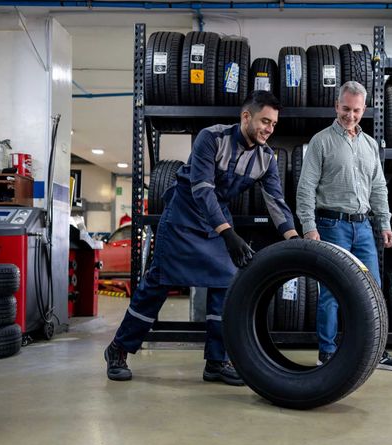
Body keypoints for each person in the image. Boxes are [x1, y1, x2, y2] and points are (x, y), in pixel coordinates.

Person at [104, 91, 299, 385]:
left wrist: (294, 239)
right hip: (184, 214)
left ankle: (216, 362)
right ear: (246, 116)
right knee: (158, 283)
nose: (269, 129)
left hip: (216, 219)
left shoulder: (265, 158)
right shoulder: (212, 138)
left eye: (273, 124)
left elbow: (276, 203)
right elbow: (202, 188)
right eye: (264, 121)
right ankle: (118, 349)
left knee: (226, 284)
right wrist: (229, 235)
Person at [296, 81, 392, 371]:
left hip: (363, 228)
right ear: (337, 106)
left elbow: (379, 187)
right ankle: (327, 352)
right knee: (331, 291)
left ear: (364, 110)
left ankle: (374, 351)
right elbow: (305, 187)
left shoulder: (370, 144)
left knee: (372, 291)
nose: (350, 115)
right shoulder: (321, 141)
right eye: (346, 108)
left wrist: (384, 223)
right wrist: (309, 226)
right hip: (332, 224)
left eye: (356, 110)